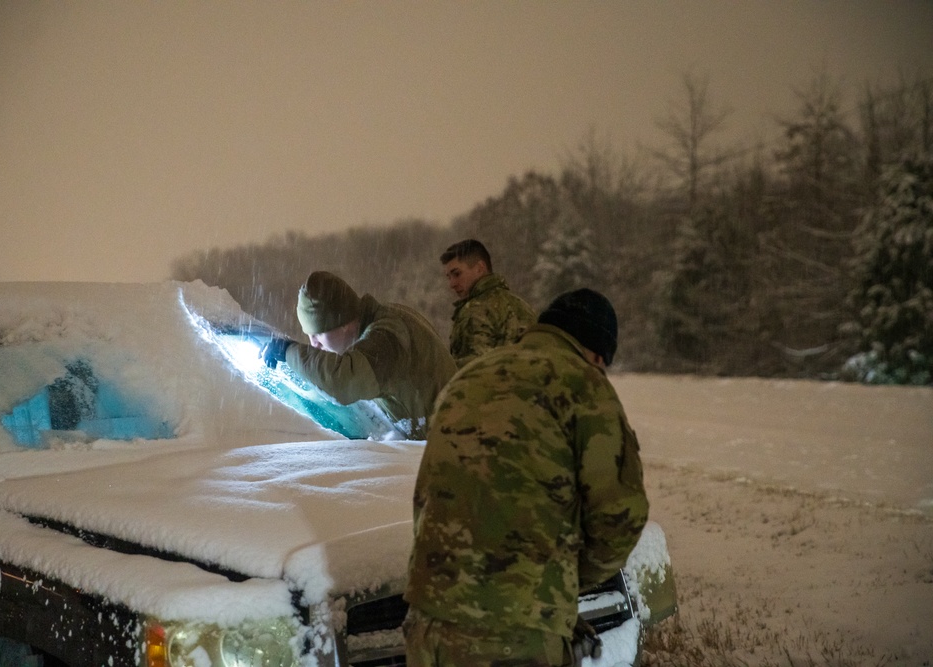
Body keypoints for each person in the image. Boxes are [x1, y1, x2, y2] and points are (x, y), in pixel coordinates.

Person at [403, 288, 649, 667]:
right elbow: (620, 516)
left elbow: (430, 498)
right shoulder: (584, 386)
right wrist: (560, 580)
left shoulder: (466, 380)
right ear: (597, 355)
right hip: (512, 634)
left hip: (428, 625)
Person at [261, 271, 456, 439]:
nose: (314, 343)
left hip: (457, 446)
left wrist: (288, 351)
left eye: (319, 333)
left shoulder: (385, 339)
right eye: (309, 335)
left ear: (344, 323)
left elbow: (343, 380)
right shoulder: (387, 318)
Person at [439, 239, 536, 368]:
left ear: (480, 268)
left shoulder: (475, 311)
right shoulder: (523, 306)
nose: (452, 284)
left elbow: (472, 371)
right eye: (449, 277)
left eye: (457, 274)